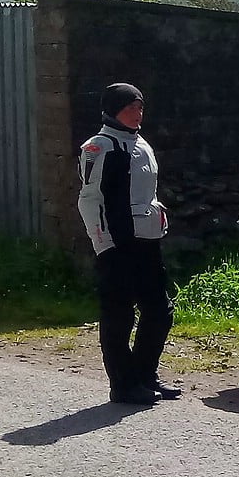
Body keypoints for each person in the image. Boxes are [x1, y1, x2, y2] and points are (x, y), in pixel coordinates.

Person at [76, 82, 178, 406]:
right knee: (119, 315)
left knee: (159, 310)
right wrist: (103, 243)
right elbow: (89, 199)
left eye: (140, 107)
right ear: (113, 110)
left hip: (147, 240)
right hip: (116, 243)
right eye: (130, 107)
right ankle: (122, 385)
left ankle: (144, 375)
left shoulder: (141, 144)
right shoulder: (99, 147)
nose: (138, 113)